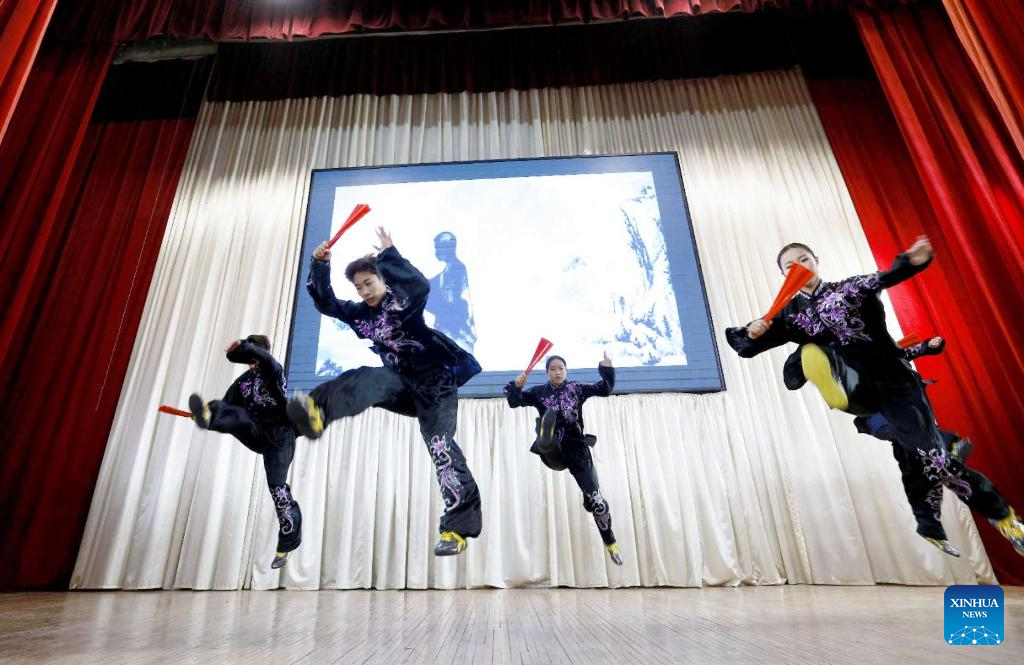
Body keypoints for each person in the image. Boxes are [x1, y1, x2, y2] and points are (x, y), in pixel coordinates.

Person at [287, 226, 483, 556]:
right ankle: (316, 413)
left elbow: (420, 286)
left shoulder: (403, 303)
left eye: (369, 283)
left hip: (435, 386)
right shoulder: (361, 315)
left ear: (383, 280)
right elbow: (327, 303)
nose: (365, 291)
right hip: (401, 384)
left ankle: (456, 531)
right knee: (366, 377)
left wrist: (389, 255)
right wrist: (319, 265)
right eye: (359, 287)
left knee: (440, 446)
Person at [189, 335, 301, 569]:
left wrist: (243, 347)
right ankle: (205, 418)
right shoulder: (242, 382)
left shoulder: (273, 370)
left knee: (277, 489)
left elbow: (264, 359)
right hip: (256, 432)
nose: (252, 362)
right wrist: (209, 414)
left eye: (255, 356)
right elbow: (227, 405)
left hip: (280, 437)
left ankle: (286, 544)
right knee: (228, 412)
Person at [504, 353, 622, 565]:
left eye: (560, 368)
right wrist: (516, 386)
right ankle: (545, 433)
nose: (557, 372)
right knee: (547, 439)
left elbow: (604, 389)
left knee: (597, 501)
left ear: (566, 371)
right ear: (547, 372)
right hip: (554, 451)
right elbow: (514, 401)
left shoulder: (576, 388)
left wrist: (606, 367)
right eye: (553, 369)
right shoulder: (539, 393)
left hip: (577, 450)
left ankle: (610, 542)